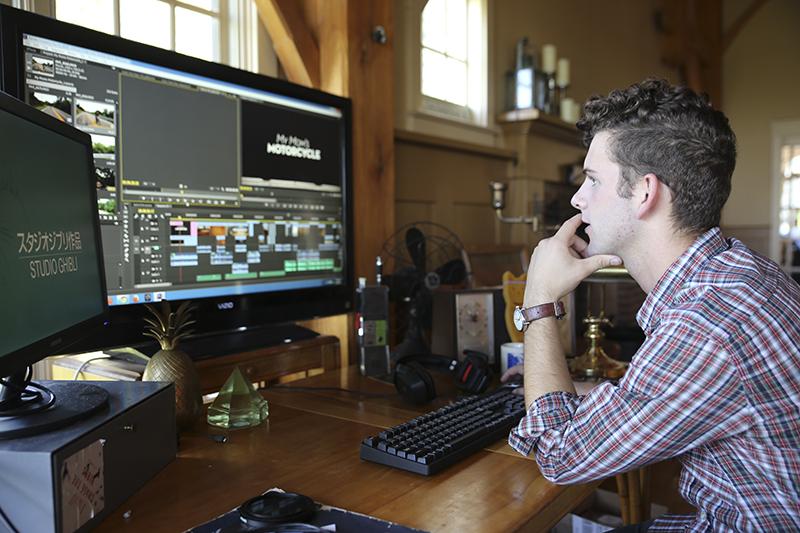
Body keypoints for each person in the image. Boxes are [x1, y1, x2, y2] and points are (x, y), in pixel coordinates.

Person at [501, 79, 800, 532]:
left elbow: (557, 454)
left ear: (645, 192)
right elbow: (659, 399)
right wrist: (563, 389)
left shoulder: (706, 325)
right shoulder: (741, 274)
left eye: (593, 180)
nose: (577, 199)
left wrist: (540, 300)